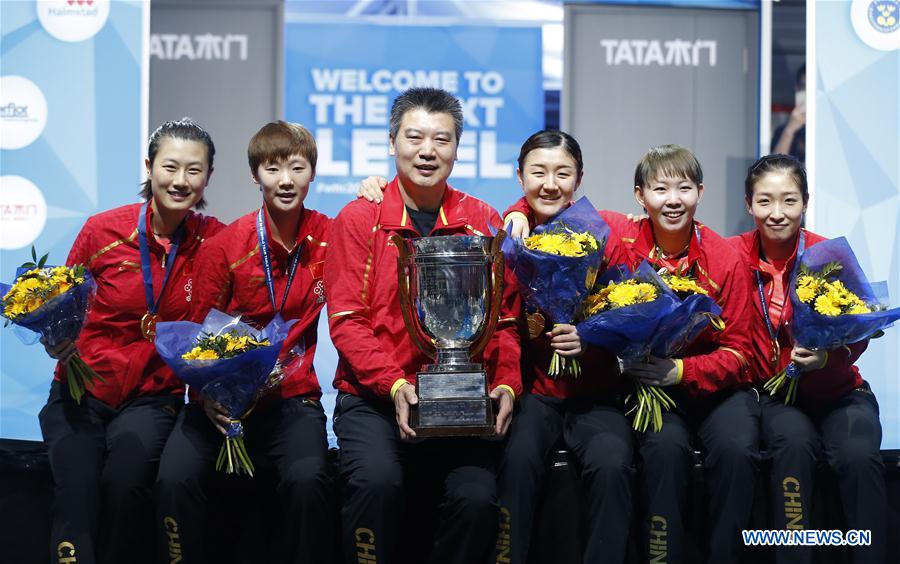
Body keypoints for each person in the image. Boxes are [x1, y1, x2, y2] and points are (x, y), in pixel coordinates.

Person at [507, 143, 757, 563]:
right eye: (660, 189)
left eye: (683, 188)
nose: (673, 200)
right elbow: (550, 203)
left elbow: (742, 352)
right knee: (663, 450)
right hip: (637, 388)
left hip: (704, 387)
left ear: (701, 191)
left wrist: (680, 369)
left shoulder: (724, 257)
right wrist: (516, 211)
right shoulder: (615, 232)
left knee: (735, 451)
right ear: (640, 196)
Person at [325, 87, 522, 564]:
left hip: (459, 401)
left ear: (457, 149)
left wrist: (507, 386)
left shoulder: (481, 220)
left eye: (442, 139)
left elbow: (508, 322)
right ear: (392, 143)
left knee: (476, 501)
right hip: (373, 399)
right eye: (414, 137)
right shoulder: (359, 218)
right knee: (376, 485)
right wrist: (393, 386)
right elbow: (347, 321)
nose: (427, 150)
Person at [38, 119, 224, 564]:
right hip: (81, 391)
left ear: (208, 177)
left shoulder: (215, 240)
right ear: (149, 166)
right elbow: (59, 306)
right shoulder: (102, 231)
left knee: (125, 486)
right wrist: (54, 337)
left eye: (194, 171)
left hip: (150, 397)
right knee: (77, 493)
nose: (181, 181)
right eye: (171, 167)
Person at [154, 121, 334, 564]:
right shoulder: (226, 244)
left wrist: (376, 185)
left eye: (297, 167)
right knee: (174, 478)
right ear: (255, 176)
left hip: (292, 398)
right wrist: (208, 394)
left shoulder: (330, 238)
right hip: (223, 402)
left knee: (310, 480)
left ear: (313, 173)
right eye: (273, 168)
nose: (286, 180)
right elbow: (198, 334)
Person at [732, 153, 886, 563]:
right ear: (749, 204)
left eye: (789, 200)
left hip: (840, 391)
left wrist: (828, 359)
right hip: (778, 397)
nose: (777, 213)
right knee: (792, 449)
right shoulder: (732, 256)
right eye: (764, 201)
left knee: (858, 457)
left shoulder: (828, 255)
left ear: (805, 202)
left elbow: (860, 330)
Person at [493, 130, 634, 564]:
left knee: (612, 465)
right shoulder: (507, 238)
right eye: (538, 172)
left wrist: (588, 337)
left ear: (579, 179)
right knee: (514, 462)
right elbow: (502, 328)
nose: (550, 183)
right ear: (520, 177)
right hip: (535, 394)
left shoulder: (605, 233)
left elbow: (628, 314)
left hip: (595, 395)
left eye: (562, 173)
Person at [772, 64, 806, 163]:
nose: (808, 94)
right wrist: (789, 130)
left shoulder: (828, 129)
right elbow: (775, 169)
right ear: (796, 88)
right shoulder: (782, 132)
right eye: (804, 87)